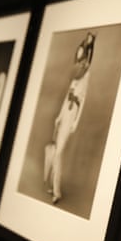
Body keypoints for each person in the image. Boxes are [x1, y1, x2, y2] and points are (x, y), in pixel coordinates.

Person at [43, 32, 95, 204]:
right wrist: (59, 116)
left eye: (83, 57)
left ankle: (57, 192)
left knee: (58, 153)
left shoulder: (86, 76)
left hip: (72, 116)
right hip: (65, 113)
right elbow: (67, 96)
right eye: (79, 57)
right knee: (57, 151)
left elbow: (83, 101)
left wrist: (75, 123)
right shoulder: (77, 73)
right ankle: (52, 186)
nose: (80, 61)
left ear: (87, 57)